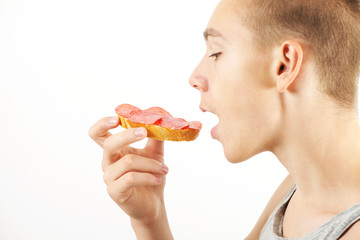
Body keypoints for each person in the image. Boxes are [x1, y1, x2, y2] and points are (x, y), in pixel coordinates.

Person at [88, 0, 360, 239]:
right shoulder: (296, 192)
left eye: (216, 53)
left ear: (284, 65)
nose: (194, 78)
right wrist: (149, 221)